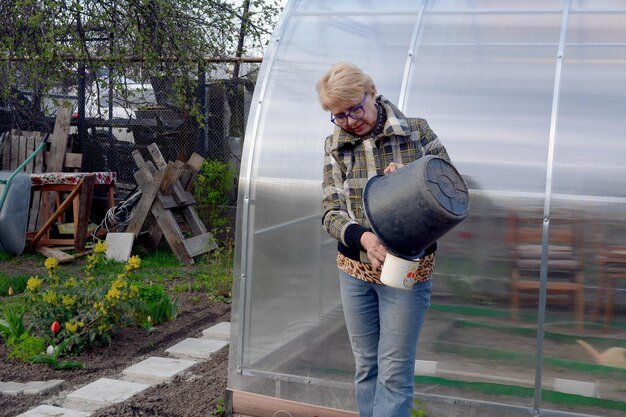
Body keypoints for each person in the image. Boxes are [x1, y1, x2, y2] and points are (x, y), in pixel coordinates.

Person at [317, 62, 450, 417]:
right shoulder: (335, 146)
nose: (350, 121)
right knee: (367, 368)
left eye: (355, 109)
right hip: (355, 272)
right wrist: (365, 240)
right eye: (339, 115)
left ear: (372, 92)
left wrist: (410, 181)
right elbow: (331, 211)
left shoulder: (416, 133)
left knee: (393, 374)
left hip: (406, 271)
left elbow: (448, 188)